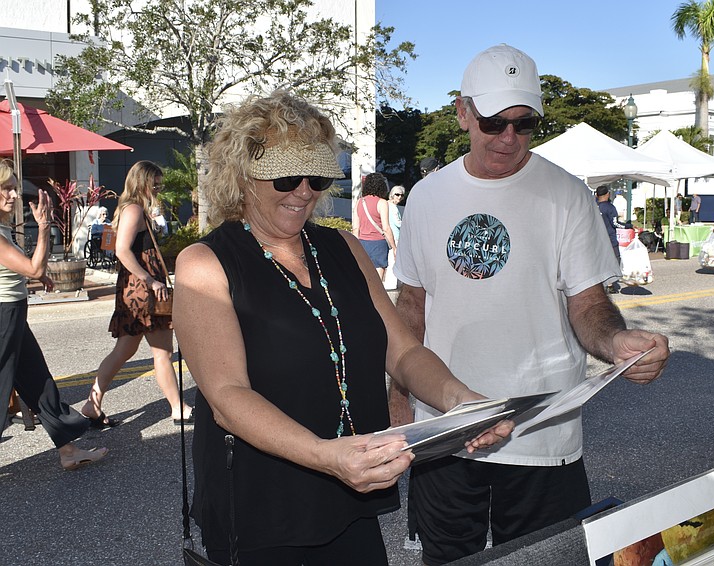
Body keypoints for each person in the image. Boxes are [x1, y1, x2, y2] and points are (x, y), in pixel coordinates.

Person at [171, 89, 511, 566]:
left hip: (349, 493)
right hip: (263, 508)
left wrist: (461, 401)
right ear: (244, 177)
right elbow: (227, 397)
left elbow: (403, 352)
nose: (305, 191)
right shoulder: (205, 263)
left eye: (316, 175)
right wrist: (327, 456)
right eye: (287, 176)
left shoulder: (344, 249)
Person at [390, 44, 670, 565]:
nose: (509, 139)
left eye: (525, 124)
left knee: (548, 559)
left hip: (543, 428)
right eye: (495, 122)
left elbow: (588, 304)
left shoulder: (567, 196)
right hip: (447, 427)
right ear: (463, 112)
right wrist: (399, 403)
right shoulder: (428, 196)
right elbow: (411, 307)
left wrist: (615, 342)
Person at [0, 159, 108, 470]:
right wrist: (45, 226)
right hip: (5, 316)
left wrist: (33, 277)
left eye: (14, 188)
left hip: (13, 313)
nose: (13, 195)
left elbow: (24, 269)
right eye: (5, 188)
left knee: (38, 381)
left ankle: (68, 449)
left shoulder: (4, 228)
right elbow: (33, 265)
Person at [81, 161, 193, 428]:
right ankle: (178, 407)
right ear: (142, 181)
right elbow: (121, 249)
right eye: (155, 182)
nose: (159, 186)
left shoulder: (135, 208)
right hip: (144, 291)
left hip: (135, 290)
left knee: (124, 350)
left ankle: (92, 403)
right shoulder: (133, 209)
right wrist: (151, 280)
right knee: (162, 353)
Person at [351, 172, 396, 281]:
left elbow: (356, 228)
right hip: (378, 244)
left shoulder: (360, 202)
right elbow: (386, 228)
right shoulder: (382, 203)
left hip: (362, 243)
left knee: (364, 278)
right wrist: (394, 247)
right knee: (378, 281)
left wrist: (354, 247)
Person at [596, 185, 622, 294]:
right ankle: (610, 284)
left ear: (597, 195)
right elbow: (615, 223)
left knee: (598, 261)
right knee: (614, 260)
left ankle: (599, 283)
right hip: (610, 239)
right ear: (608, 194)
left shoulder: (593, 207)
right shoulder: (610, 208)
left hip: (596, 240)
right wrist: (628, 226)